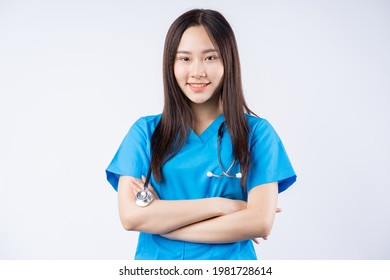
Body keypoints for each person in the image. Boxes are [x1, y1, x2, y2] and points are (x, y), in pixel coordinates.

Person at [106, 9, 296, 260]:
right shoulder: (145, 132)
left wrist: (165, 225)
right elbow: (131, 217)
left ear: (228, 61)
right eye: (184, 59)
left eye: (210, 57)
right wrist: (225, 206)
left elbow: (260, 222)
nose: (197, 72)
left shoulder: (258, 134)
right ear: (170, 64)